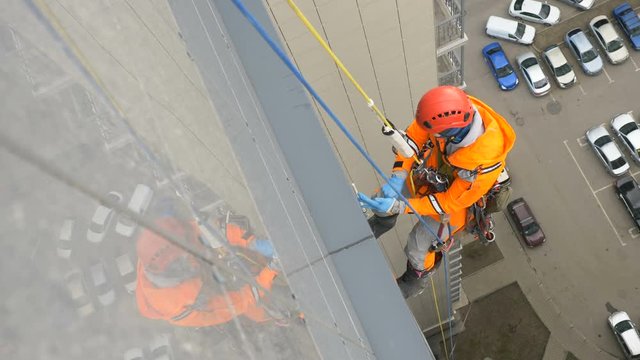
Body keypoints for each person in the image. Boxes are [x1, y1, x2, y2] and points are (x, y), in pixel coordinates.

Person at [358, 86, 516, 298]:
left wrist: (401, 207)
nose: (431, 134)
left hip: (457, 204)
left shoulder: (482, 164)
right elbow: (414, 138)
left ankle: (415, 280)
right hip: (432, 176)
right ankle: (381, 222)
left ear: (449, 132)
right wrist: (398, 175)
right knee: (384, 196)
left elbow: (449, 202)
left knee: (419, 243)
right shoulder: (450, 113)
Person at [135, 214, 282, 327]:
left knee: (234, 255)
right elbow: (238, 301)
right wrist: (270, 272)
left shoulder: (164, 239)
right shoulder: (183, 302)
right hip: (211, 296)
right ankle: (282, 311)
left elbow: (203, 229)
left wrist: (250, 242)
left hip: (201, 270)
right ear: (179, 263)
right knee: (260, 305)